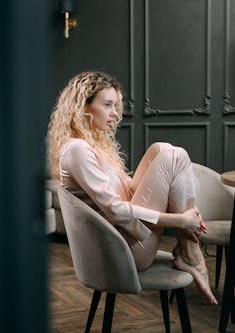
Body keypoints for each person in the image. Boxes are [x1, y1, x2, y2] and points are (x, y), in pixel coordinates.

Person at [46, 71, 218, 304]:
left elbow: (125, 190)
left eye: (115, 105)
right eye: (107, 105)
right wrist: (180, 220)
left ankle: (189, 248)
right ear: (82, 107)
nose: (115, 113)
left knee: (162, 148)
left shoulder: (91, 144)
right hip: (123, 251)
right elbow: (115, 210)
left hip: (128, 237)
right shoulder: (77, 149)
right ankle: (190, 251)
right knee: (175, 155)